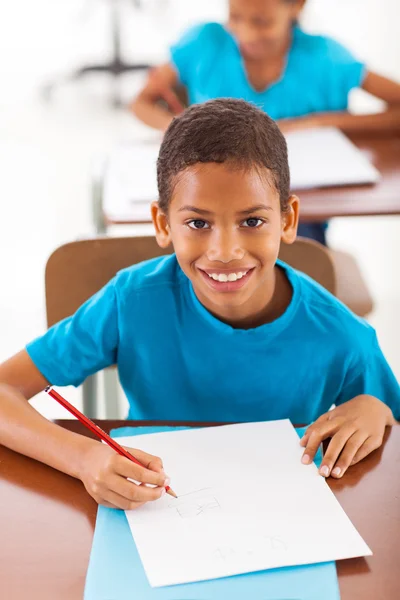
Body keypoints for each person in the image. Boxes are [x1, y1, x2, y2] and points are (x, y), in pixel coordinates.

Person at [0, 99, 398, 511]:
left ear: (288, 219)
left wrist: (379, 411)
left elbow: (390, 429)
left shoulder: (345, 338)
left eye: (252, 221)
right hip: (151, 513)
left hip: (281, 523)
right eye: (198, 223)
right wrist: (82, 457)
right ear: (161, 224)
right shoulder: (130, 303)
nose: (225, 251)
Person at [130, 0, 400, 245]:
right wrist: (183, 129)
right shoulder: (204, 42)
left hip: (302, 215)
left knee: (291, 251)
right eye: (234, 17)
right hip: (208, 199)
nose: (245, 33)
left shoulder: (325, 56)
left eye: (261, 21)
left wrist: (319, 122)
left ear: (297, 7)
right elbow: (141, 102)